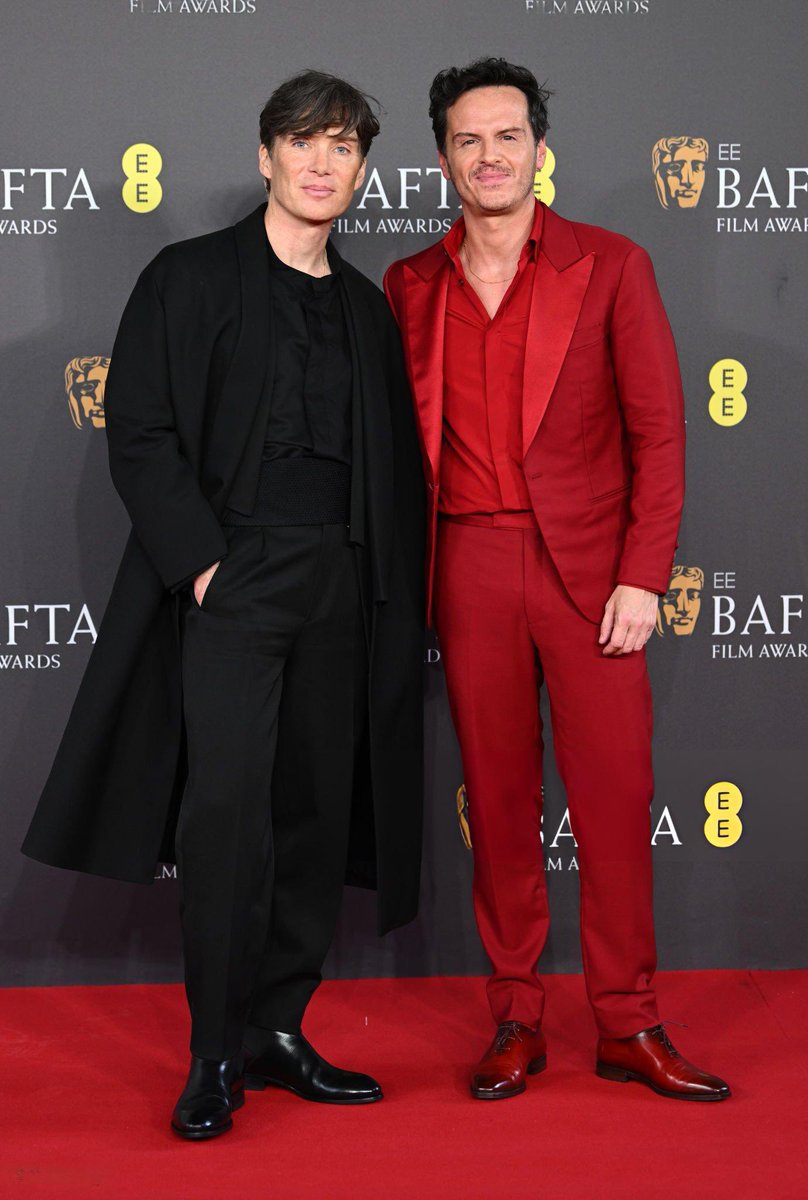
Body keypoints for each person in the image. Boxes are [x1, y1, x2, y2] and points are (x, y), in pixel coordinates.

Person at [23, 70, 425, 1139]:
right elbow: (141, 432)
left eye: (341, 147)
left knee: (310, 814)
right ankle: (213, 1051)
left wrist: (381, 591)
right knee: (227, 820)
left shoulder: (364, 308)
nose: (320, 162)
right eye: (302, 142)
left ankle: (279, 1028)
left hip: (340, 582)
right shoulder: (187, 277)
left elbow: (395, 472)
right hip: (235, 579)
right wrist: (204, 569)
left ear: (362, 170)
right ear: (265, 156)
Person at [385, 57, 729, 1103]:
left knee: (616, 803)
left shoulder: (611, 265)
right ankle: (517, 1018)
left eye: (506, 135)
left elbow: (659, 436)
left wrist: (641, 577)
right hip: (470, 566)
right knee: (495, 802)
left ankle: (627, 1022)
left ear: (538, 147)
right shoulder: (410, 284)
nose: (488, 155)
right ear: (441, 156)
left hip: (590, 575)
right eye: (465, 138)